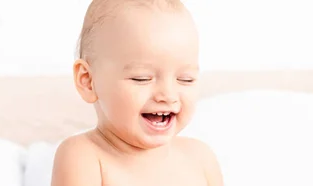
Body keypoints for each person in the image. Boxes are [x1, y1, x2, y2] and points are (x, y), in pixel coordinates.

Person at [51, 0, 223, 185]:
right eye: (142, 78)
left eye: (185, 79)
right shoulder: (84, 156)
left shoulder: (201, 159)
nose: (168, 95)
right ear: (88, 81)